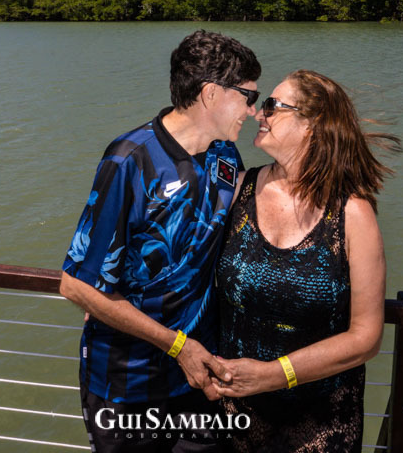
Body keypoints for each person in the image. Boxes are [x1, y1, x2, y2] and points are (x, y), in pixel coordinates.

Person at [60, 30, 262, 452]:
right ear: (211, 94)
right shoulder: (130, 160)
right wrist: (177, 345)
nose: (254, 111)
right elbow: (76, 284)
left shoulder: (225, 155)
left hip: (199, 377)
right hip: (128, 384)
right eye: (247, 96)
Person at [211, 69, 399, 452]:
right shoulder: (236, 191)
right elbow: (178, 255)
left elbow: (366, 337)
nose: (257, 114)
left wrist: (271, 375)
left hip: (320, 422)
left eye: (271, 106)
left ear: (312, 124)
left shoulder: (352, 214)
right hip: (232, 410)